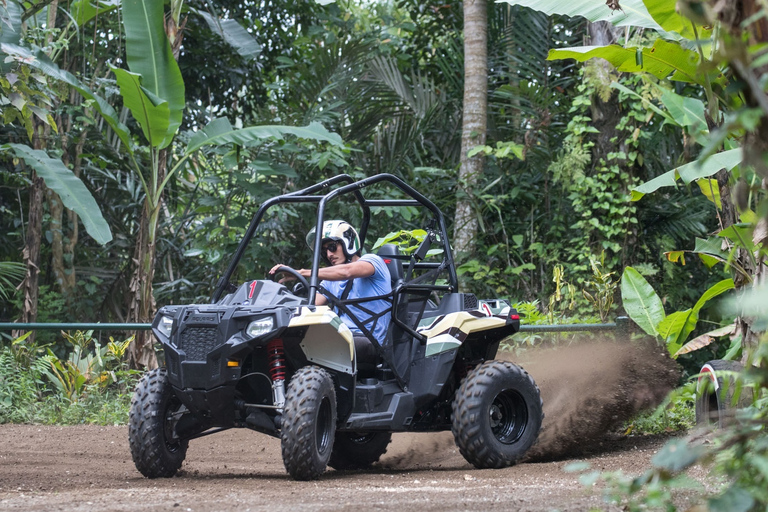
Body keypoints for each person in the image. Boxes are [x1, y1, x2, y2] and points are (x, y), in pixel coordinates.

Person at [270, 220, 392, 350]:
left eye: (332, 247)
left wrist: (301, 272)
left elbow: (347, 272)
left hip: (367, 339)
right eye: (324, 251)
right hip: (339, 334)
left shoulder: (373, 261)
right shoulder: (330, 281)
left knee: (307, 345)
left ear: (348, 243)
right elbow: (309, 306)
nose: (329, 255)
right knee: (284, 339)